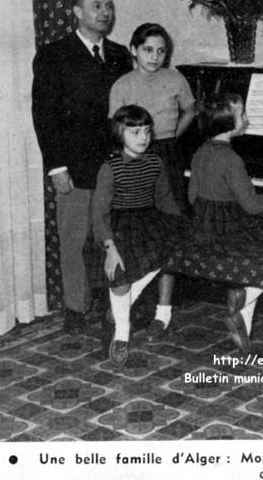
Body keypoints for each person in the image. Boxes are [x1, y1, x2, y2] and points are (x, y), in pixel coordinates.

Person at [163, 94, 263, 353]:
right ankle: (241, 305)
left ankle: (242, 325)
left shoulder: (200, 151)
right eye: (243, 115)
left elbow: (192, 196)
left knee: (259, 259)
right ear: (227, 123)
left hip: (204, 229)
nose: (247, 119)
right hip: (232, 231)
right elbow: (252, 206)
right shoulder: (233, 159)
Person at [32, 0, 132, 334]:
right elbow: (44, 116)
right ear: (77, 12)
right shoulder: (53, 54)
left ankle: (114, 305)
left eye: (108, 6)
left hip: (115, 165)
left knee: (114, 237)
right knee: (74, 239)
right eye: (96, 6)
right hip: (74, 167)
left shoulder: (121, 55)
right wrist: (56, 167)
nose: (105, 13)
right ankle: (75, 307)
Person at [84, 105, 185, 366]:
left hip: (147, 220)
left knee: (170, 254)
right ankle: (121, 335)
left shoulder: (155, 161)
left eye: (147, 132)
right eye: (135, 132)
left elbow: (164, 198)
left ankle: (121, 307)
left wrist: (182, 226)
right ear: (120, 132)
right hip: (115, 226)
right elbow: (99, 212)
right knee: (119, 276)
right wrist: (110, 248)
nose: (143, 138)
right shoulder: (110, 167)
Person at [109, 23, 196, 215]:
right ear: (134, 50)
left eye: (161, 51)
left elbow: (190, 110)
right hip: (134, 153)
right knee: (141, 209)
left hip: (168, 150)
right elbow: (116, 128)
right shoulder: (122, 86)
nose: (155, 57)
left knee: (174, 207)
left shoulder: (175, 79)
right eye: (148, 50)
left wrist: (173, 134)